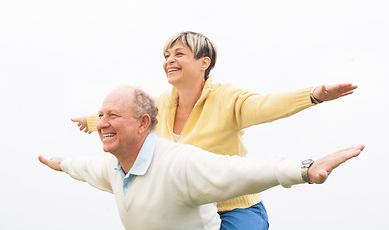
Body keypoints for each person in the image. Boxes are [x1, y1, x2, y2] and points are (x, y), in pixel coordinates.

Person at [71, 31, 358, 229]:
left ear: (203, 63)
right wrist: (96, 121)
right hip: (190, 207)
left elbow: (266, 105)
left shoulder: (227, 98)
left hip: (235, 208)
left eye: (179, 54)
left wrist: (314, 95)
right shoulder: (162, 104)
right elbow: (132, 120)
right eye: (167, 55)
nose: (169, 59)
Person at [40, 86, 364, 230]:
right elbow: (84, 166)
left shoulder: (180, 164)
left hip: (240, 212)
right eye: (100, 115)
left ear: (142, 124)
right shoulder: (113, 167)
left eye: (112, 115)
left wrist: (305, 169)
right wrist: (62, 164)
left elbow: (239, 170)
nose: (103, 122)